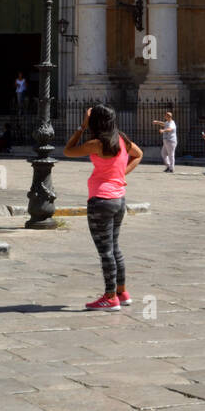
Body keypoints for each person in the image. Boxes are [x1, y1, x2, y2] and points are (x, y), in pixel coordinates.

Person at [63, 105, 143, 311]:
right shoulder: (122, 140)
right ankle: (121, 292)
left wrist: (81, 127)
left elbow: (68, 151)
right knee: (115, 247)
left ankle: (109, 297)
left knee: (105, 251)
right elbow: (139, 154)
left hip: (101, 201)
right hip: (119, 199)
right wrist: (121, 174)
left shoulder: (97, 144)